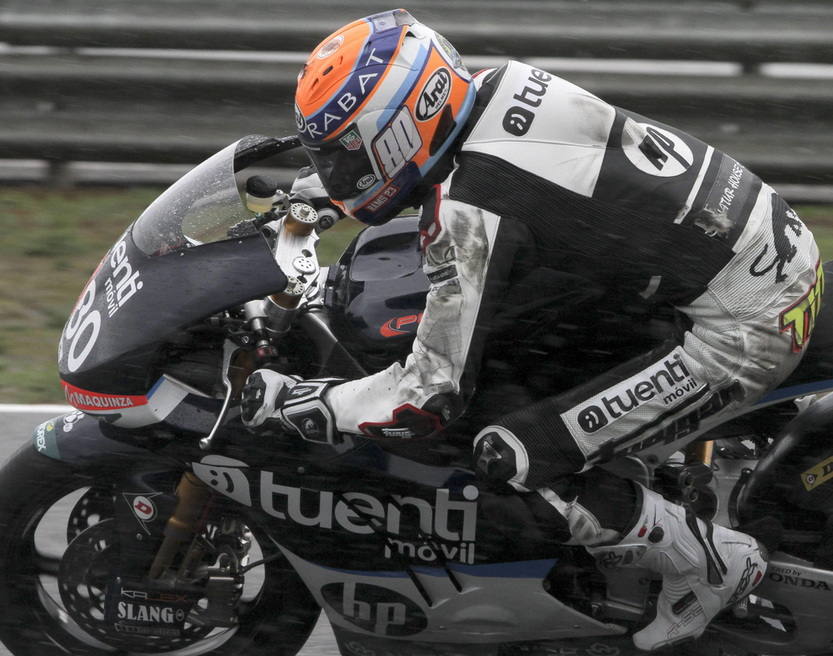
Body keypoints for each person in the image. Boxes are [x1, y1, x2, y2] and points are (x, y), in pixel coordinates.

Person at [240, 8, 822, 651]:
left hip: (744, 323)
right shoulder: (500, 86)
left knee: (506, 454)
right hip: (763, 247)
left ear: (403, 127)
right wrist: (310, 200)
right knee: (524, 343)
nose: (337, 173)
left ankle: (707, 562)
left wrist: (307, 400)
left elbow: (426, 394)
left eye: (345, 155)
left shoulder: (472, 206)